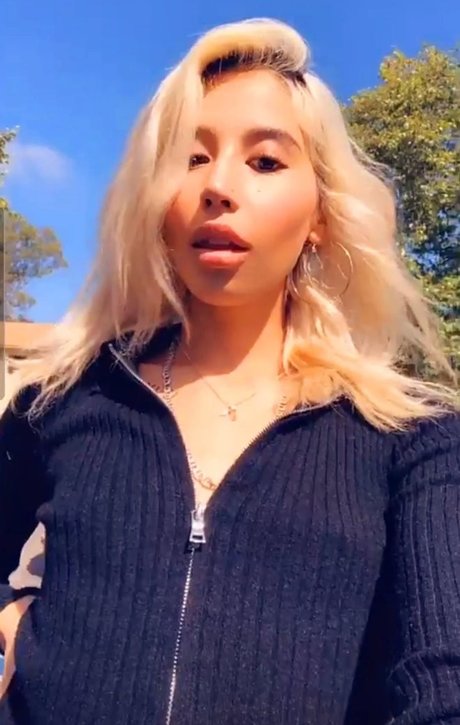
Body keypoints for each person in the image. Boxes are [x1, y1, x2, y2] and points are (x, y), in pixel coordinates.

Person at [0, 17, 459, 725]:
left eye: (265, 162)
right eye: (190, 158)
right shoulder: (60, 399)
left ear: (321, 216)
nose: (217, 185)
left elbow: (441, 683)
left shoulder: (412, 437)